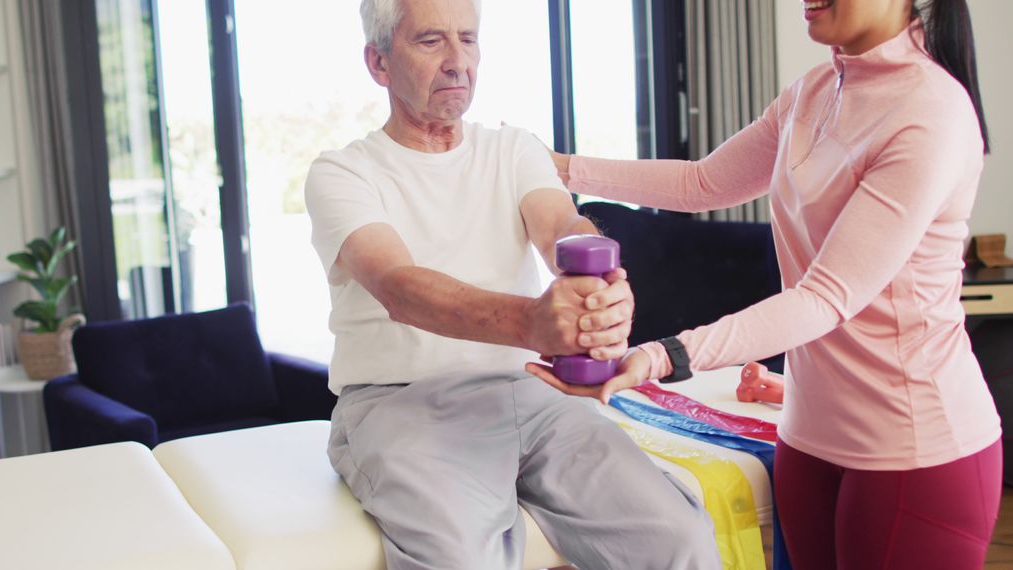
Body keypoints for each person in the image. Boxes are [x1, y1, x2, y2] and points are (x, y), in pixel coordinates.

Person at [528, 0, 1001, 568]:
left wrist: (660, 356)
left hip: (914, 448)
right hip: (808, 439)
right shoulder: (815, 90)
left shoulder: (931, 112)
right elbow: (699, 184)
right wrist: (558, 168)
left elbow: (825, 297)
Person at [304, 0, 720, 567]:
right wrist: (532, 322)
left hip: (534, 394)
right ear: (379, 62)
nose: (458, 62)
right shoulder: (344, 173)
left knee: (678, 537)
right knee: (462, 557)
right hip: (402, 402)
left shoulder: (512, 148)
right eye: (430, 42)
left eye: (469, 40)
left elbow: (559, 225)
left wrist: (596, 282)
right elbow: (399, 286)